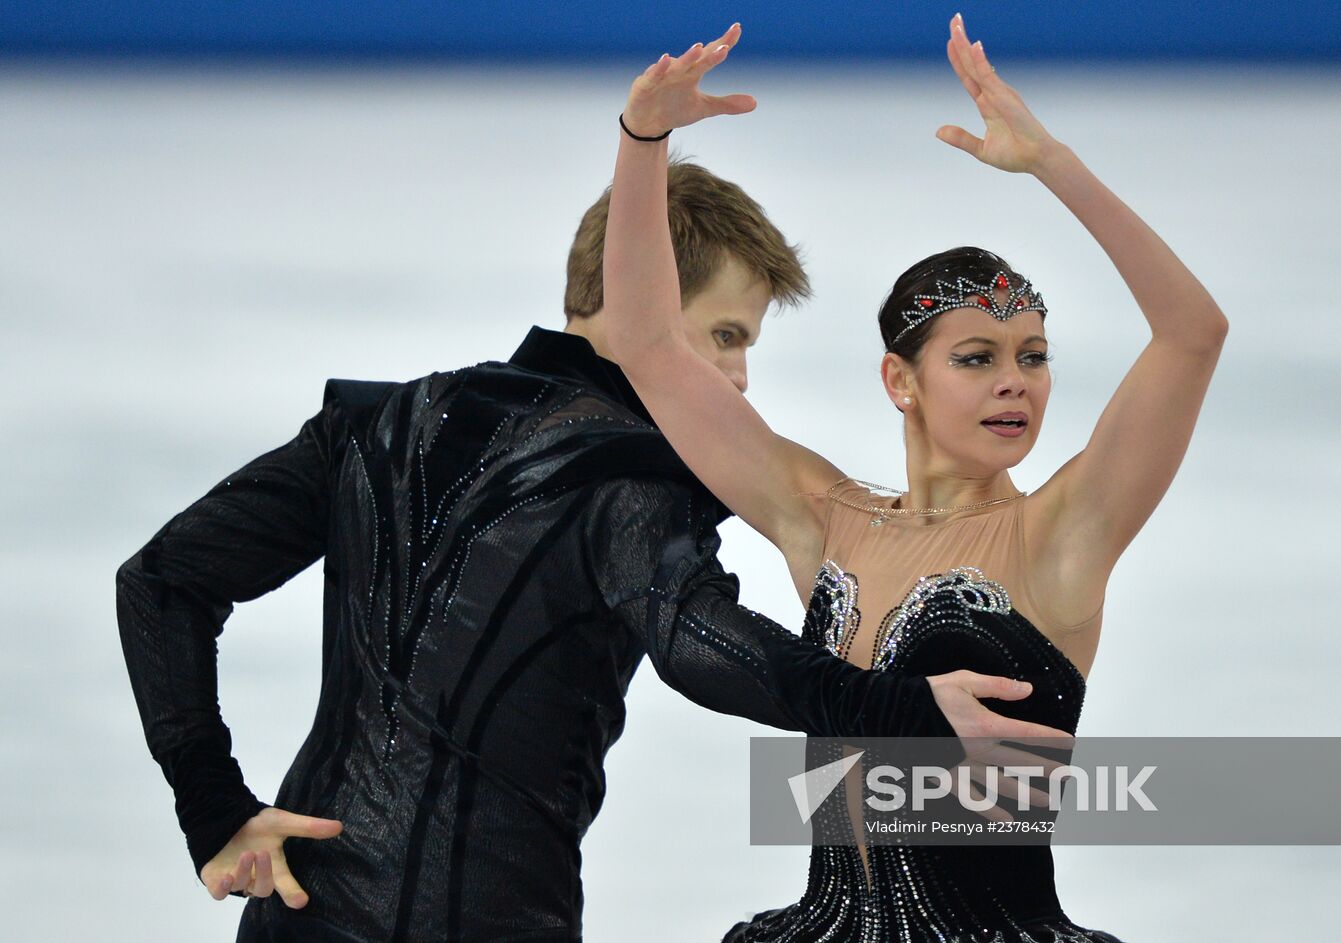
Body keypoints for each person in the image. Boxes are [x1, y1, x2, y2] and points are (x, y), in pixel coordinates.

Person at [114, 153, 1070, 938]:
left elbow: (160, 583)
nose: (738, 379)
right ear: (642, 304)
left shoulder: (383, 421)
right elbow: (701, 641)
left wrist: (213, 804)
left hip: (298, 916)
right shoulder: (633, 473)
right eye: (725, 335)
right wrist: (899, 706)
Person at [602, 15, 1227, 942]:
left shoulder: (1063, 533)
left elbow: (1192, 334)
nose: (1015, 380)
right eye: (977, 357)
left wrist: (1051, 162)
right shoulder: (824, 520)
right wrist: (643, 141)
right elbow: (650, 345)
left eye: (1034, 356)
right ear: (902, 380)